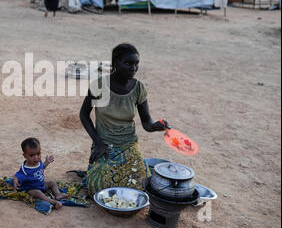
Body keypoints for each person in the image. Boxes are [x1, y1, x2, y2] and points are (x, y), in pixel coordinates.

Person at [79, 43, 169, 196]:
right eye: (128, 63)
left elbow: (146, 122)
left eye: (136, 64)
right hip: (104, 144)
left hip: (128, 144)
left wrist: (156, 126)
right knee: (98, 185)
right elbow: (84, 115)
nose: (133, 68)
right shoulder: (99, 85)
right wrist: (98, 143)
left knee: (141, 185)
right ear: (115, 63)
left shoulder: (139, 88)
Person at [13, 137, 68, 209]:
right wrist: (15, 181)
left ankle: (58, 195)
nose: (36, 157)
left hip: (41, 185)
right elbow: (17, 175)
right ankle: (53, 202)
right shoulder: (25, 169)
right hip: (31, 188)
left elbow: (42, 167)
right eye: (32, 155)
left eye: (38, 154)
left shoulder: (38, 162)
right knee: (38, 193)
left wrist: (47, 162)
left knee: (52, 183)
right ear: (25, 156)